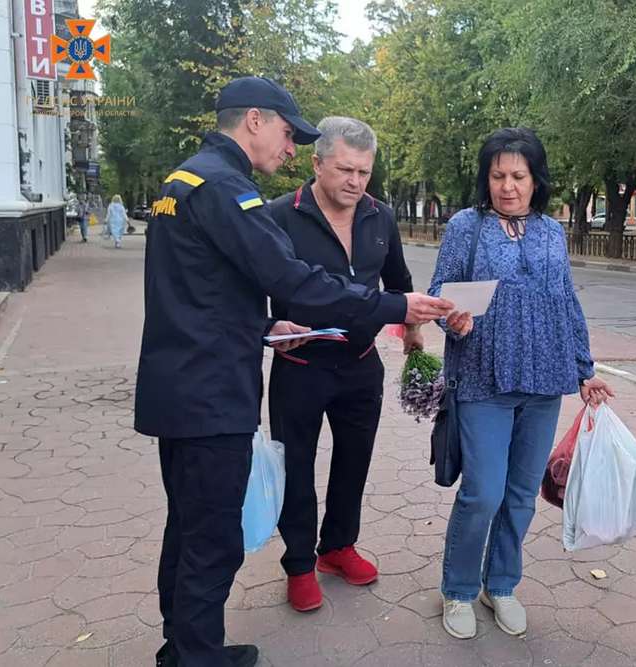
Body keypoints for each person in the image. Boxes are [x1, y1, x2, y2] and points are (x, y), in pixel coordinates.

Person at [135, 76, 453, 667]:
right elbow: (291, 279)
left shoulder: (184, 180)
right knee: (210, 541)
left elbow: (199, 293)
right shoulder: (228, 188)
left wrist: (262, 327)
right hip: (212, 393)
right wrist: (394, 307)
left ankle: (185, 649)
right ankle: (197, 657)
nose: (287, 149)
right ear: (254, 120)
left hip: (182, 384)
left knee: (187, 532)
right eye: (287, 134)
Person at [428, 127, 614, 640]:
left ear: (536, 181)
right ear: (486, 179)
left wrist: (585, 369)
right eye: (498, 175)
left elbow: (566, 301)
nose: (508, 185)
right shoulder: (468, 225)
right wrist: (452, 319)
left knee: (521, 495)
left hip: (544, 379)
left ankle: (501, 584)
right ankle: (459, 589)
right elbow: (440, 291)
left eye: (518, 176)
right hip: (484, 376)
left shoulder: (552, 230)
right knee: (483, 494)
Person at [266, 116, 422, 612]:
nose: (355, 182)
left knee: (354, 462)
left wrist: (413, 332)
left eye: (364, 172)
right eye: (344, 170)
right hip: (301, 367)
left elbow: (397, 282)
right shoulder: (279, 217)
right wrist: (266, 329)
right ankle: (298, 564)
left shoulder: (380, 216)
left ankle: (336, 547)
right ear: (316, 164)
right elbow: (246, 292)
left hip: (360, 363)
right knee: (296, 468)